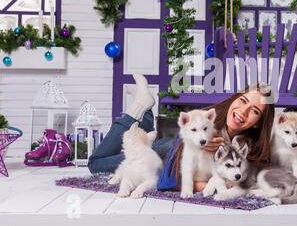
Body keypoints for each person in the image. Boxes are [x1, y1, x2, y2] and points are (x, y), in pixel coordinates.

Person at [88, 74, 275, 193]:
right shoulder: (209, 120)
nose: (243, 111)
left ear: (259, 123)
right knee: (95, 163)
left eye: (255, 111)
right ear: (235, 98)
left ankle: (144, 112)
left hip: (164, 149)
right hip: (165, 154)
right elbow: (171, 180)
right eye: (242, 100)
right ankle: (139, 107)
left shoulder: (250, 149)